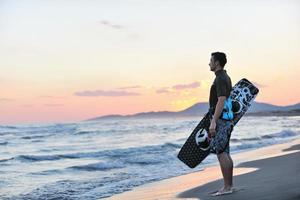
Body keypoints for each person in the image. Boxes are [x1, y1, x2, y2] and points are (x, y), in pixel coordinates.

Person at [208, 52, 234, 196]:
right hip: (226, 119)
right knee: (225, 152)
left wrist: (213, 121)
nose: (209, 63)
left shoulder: (220, 78)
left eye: (211, 60)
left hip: (222, 120)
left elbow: (222, 100)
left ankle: (227, 187)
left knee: (221, 153)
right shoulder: (225, 76)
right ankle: (228, 186)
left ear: (217, 63)